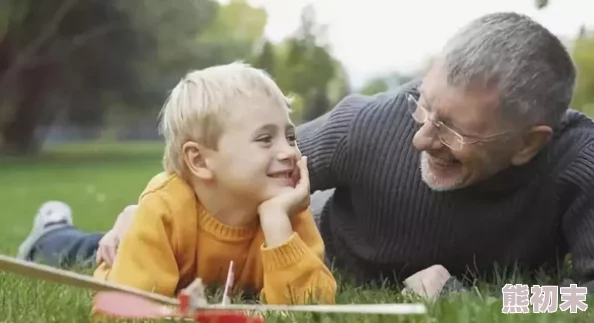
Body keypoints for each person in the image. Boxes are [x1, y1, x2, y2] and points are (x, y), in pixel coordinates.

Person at [17, 12, 594, 300]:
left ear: (529, 143)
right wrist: (138, 210)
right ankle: (53, 236)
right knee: (150, 248)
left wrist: (476, 298)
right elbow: (231, 170)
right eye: (425, 106)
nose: (421, 137)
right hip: (285, 244)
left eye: (453, 130)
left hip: (302, 275)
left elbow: (580, 302)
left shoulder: (579, 166)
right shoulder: (367, 126)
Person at [39, 63, 338, 311]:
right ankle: (49, 232)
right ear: (200, 160)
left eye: (290, 136)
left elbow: (311, 307)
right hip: (120, 258)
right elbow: (121, 310)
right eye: (265, 139)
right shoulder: (165, 208)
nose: (288, 152)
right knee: (80, 250)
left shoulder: (285, 209)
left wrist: (276, 222)